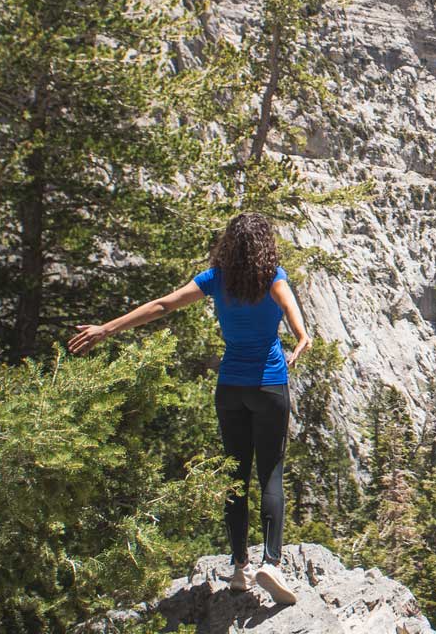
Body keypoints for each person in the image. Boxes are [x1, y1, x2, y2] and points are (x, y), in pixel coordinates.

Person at [69, 212, 311, 606]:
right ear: (266, 245)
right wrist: (301, 338)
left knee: (234, 473)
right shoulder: (273, 277)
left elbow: (163, 305)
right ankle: (272, 562)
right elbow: (290, 310)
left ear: (229, 244)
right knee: (270, 472)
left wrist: (107, 329)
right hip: (269, 385)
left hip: (230, 387)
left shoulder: (216, 279)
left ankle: (238, 568)